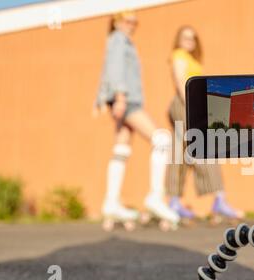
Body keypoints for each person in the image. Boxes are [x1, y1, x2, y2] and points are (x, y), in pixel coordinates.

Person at [95, 11, 179, 231]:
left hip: (122, 100)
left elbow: (106, 71)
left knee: (121, 149)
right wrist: (120, 97)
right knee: (162, 139)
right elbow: (114, 70)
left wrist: (103, 100)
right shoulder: (119, 39)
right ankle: (155, 197)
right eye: (127, 21)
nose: (132, 25)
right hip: (128, 101)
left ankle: (111, 203)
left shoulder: (118, 41)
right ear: (116, 21)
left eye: (135, 22)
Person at [166, 26, 243, 223]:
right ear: (178, 39)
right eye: (185, 38)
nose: (189, 41)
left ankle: (174, 200)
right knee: (203, 147)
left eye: (192, 38)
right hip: (185, 104)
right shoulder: (179, 55)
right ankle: (219, 198)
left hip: (189, 104)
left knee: (182, 152)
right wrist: (193, 107)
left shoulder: (192, 59)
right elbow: (181, 82)